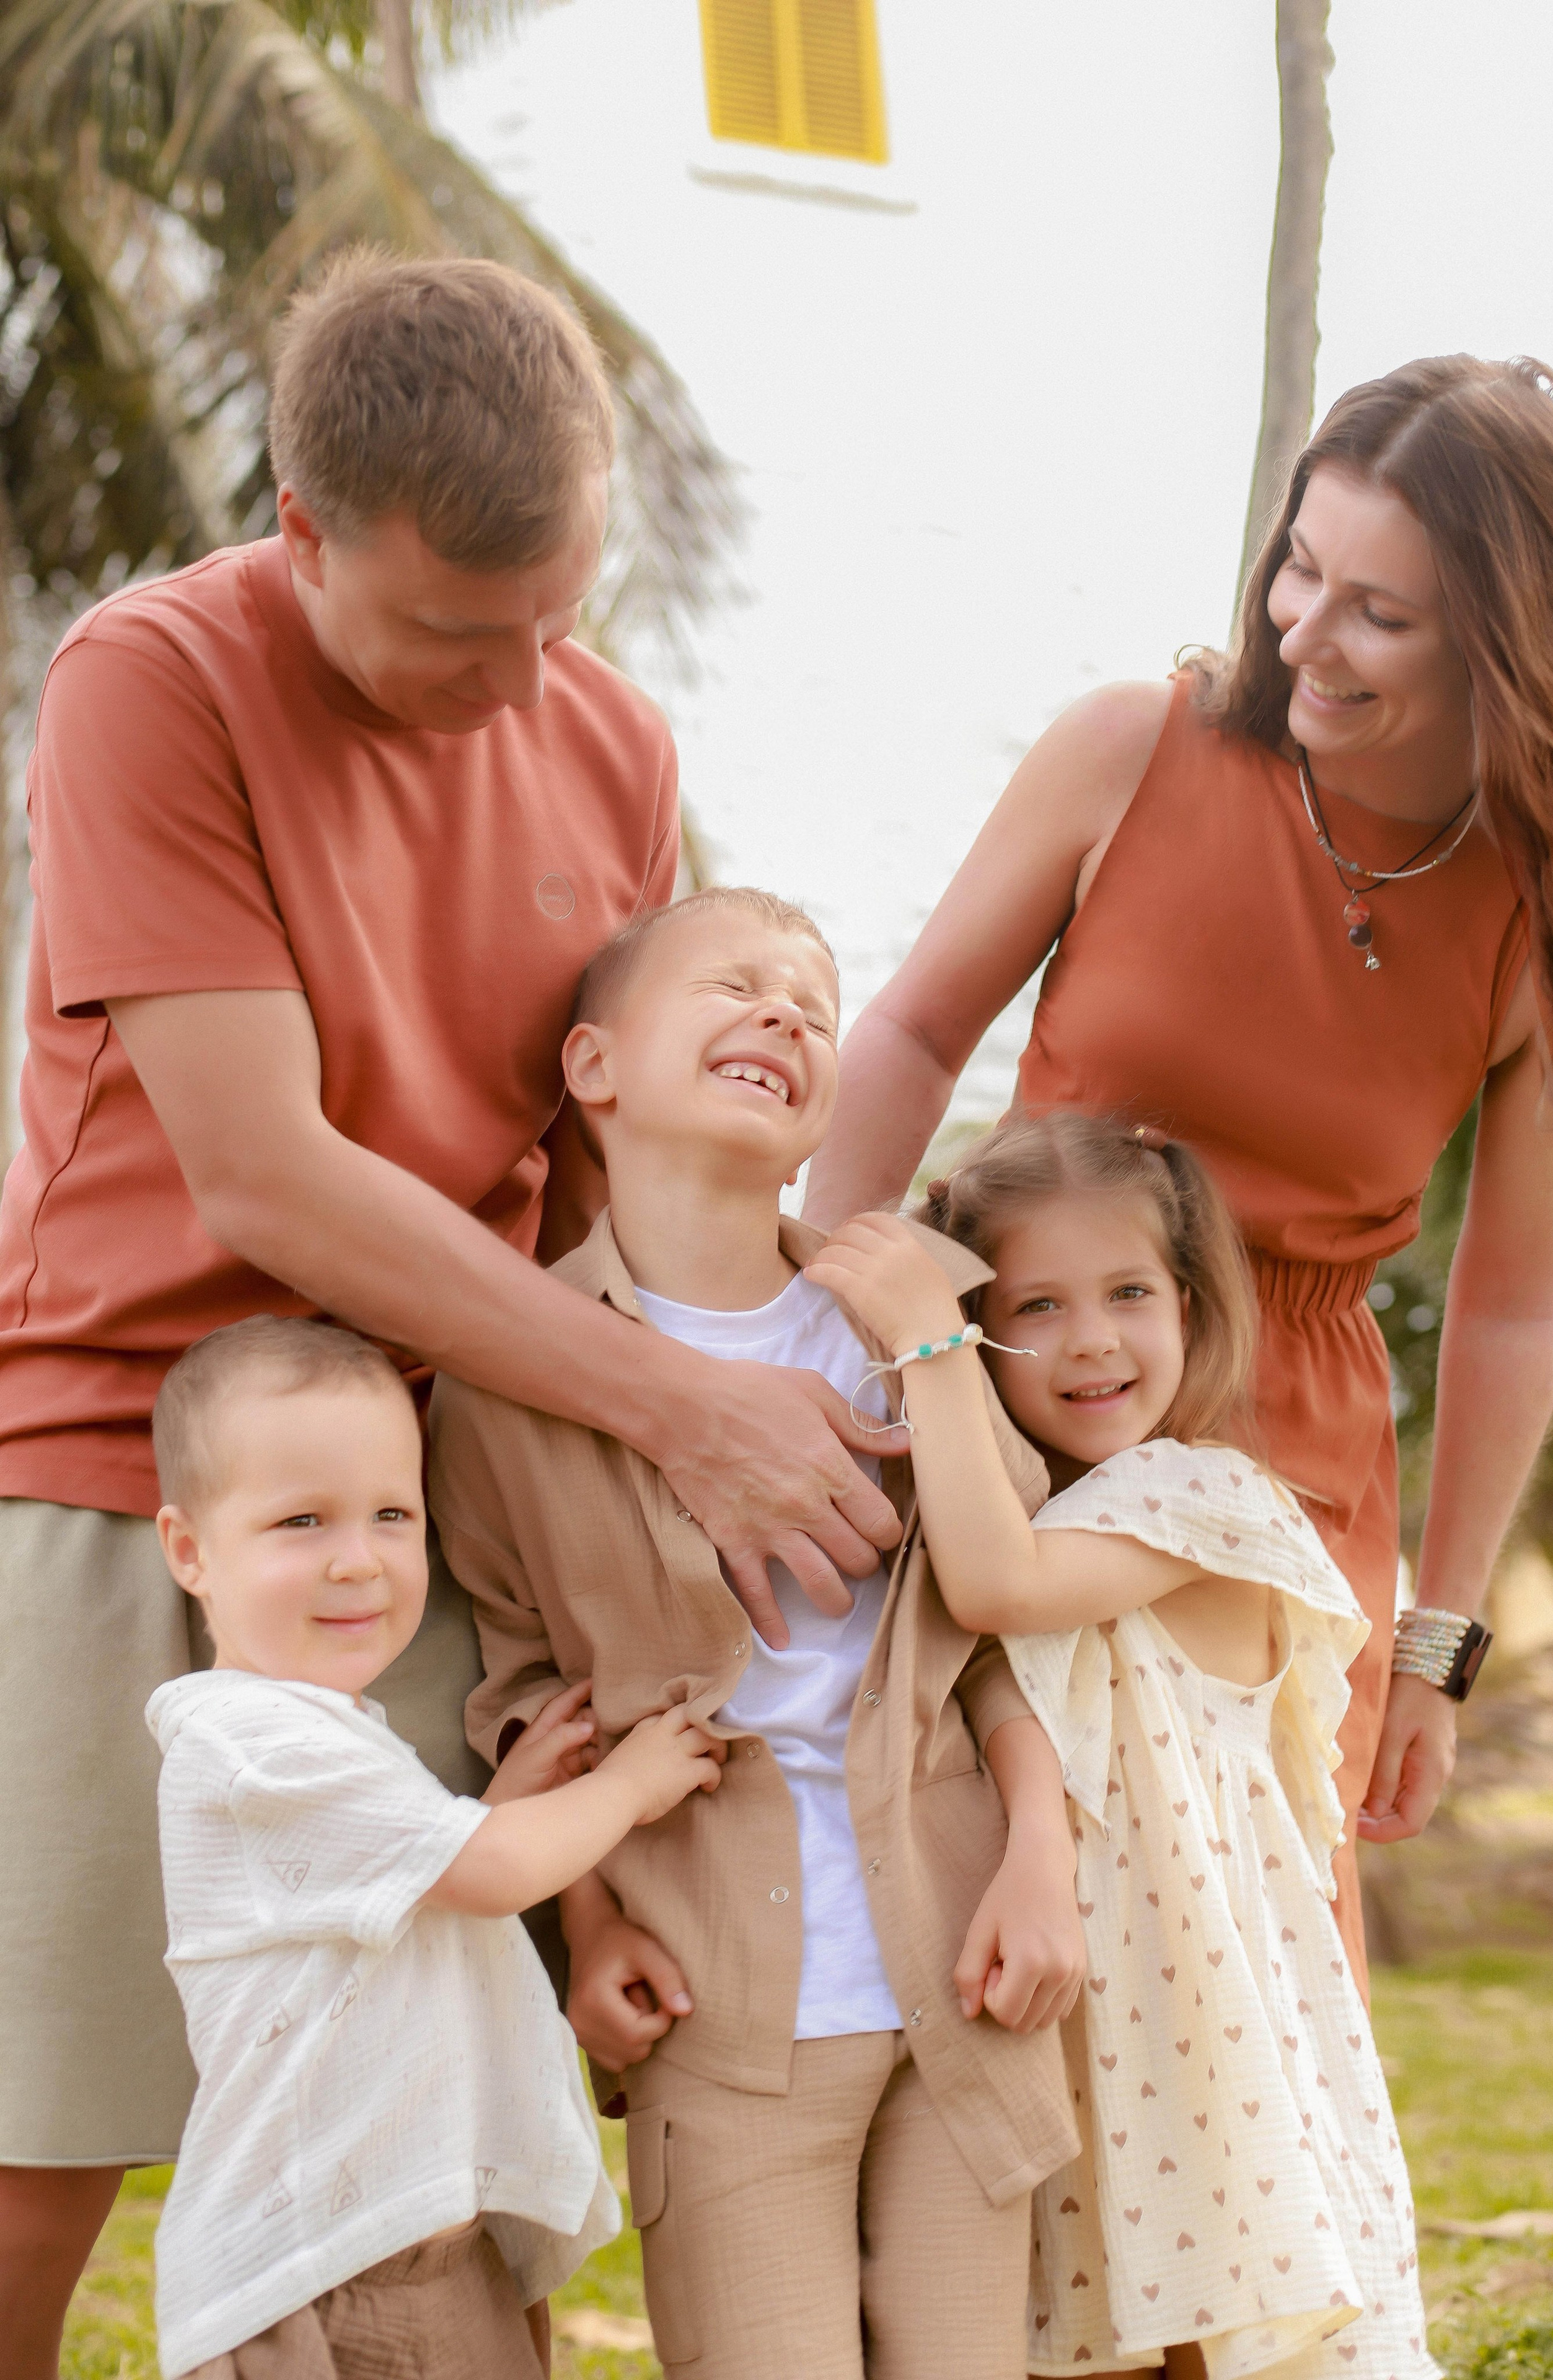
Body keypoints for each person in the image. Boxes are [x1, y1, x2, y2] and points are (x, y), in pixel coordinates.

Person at [0, 252, 905, 2372]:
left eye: (557, 619)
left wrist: (765, 1378)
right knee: (43, 2139)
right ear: (303, 534)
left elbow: (600, 1164)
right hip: (126, 1465)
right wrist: (684, 1421)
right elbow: (265, 1170)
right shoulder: (157, 676)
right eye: (450, 632)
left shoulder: (608, 733)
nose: (518, 689)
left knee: (426, 2130)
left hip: (437, 1482)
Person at [806, 355, 1553, 1988]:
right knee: (986, 1931)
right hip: (1023, 1401)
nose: (1303, 628)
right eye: (1300, 566)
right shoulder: (1129, 751)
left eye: (1381, 610)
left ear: (1507, 641)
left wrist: (1438, 1641)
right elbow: (912, 1032)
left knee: (1240, 1979)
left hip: (1293, 1474)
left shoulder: (1537, 913)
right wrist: (817, 1335)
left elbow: (1513, 1300)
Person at [426, 886, 1086, 2380]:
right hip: (712, 1997)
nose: (784, 1014)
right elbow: (526, 1689)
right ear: (594, 1070)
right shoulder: (506, 1379)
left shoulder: (900, 1316)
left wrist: (1042, 1864)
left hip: (963, 1970)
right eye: (733, 986)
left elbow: (998, 1640)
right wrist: (585, 1927)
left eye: (812, 1005)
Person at [808, 1113, 1434, 2380]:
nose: (1090, 1337)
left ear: (1193, 1309)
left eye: (1130, 1293)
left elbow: (992, 1598)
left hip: (1208, 2053)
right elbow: (997, 1670)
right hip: (1085, 2045)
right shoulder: (1037, 1519)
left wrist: (924, 1333)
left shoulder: (1205, 1498)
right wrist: (1037, 1837)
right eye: (1034, 1305)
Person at [146, 1313, 723, 2380]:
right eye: (301, 1521)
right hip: (315, 2274)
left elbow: (422, 1895)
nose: (357, 1561)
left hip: (424, 2245)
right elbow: (485, 1872)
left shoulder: (334, 1735)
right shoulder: (248, 1740)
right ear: (191, 1552)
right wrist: (627, 1786)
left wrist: (507, 1797)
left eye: (390, 1514)